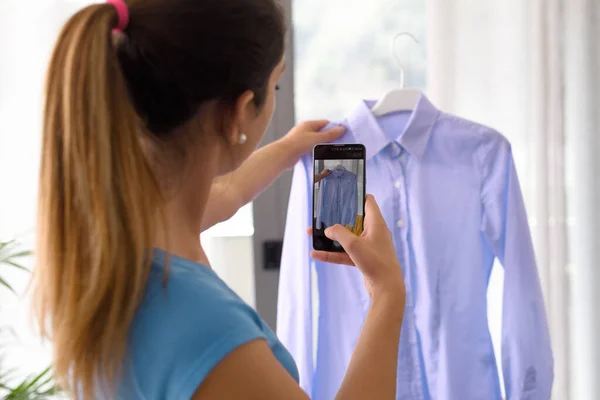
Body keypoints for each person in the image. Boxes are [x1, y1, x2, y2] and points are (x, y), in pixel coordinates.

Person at [31, 0, 406, 399]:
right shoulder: (202, 324)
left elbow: (228, 193)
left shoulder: (112, 235)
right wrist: (388, 294)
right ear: (241, 110)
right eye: (275, 84)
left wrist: (287, 148)